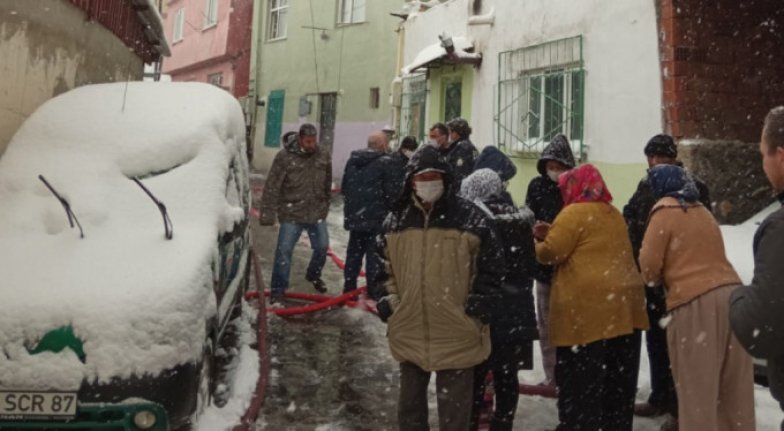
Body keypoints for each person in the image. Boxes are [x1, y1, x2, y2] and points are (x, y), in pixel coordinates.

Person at [375, 145, 506, 431]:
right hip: (409, 329)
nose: (428, 183)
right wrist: (392, 305)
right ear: (411, 180)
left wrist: (475, 312)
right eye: (422, 178)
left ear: (446, 179)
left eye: (434, 177)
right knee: (409, 412)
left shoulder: (472, 219)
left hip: (458, 333)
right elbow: (382, 268)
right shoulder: (395, 221)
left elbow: (492, 270)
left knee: (455, 417)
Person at [638, 164, 755, 431]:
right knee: (734, 392)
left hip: (694, 303)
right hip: (733, 297)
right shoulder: (703, 211)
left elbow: (649, 266)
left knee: (697, 391)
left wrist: (657, 280)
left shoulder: (664, 211)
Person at [534, 164, 648, 431]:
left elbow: (551, 253)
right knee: (616, 377)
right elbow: (588, 241)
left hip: (586, 310)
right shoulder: (613, 212)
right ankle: (615, 423)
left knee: (580, 377)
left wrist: (535, 242)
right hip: (623, 307)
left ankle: (578, 423)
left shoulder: (573, 212)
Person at [623, 134, 710, 427]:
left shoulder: (694, 189)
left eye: (661, 157)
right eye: (652, 156)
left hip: (680, 280)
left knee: (682, 347)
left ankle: (679, 406)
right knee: (657, 342)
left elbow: (699, 232)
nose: (655, 162)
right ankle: (660, 395)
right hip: (652, 281)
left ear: (672, 158)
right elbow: (630, 217)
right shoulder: (646, 185)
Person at [461, 169, 538, 431]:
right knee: (507, 373)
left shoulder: (476, 221)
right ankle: (503, 421)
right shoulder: (520, 220)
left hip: (484, 307)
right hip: (516, 308)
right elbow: (531, 265)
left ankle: (471, 420)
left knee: (476, 371)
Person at [730, 106, 784, 431]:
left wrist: (738, 297)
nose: (762, 163)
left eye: (762, 154)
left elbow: (760, 331)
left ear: (780, 155)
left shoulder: (779, 229)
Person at [524, 134, 575, 392]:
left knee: (568, 324)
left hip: (569, 267)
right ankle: (551, 376)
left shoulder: (575, 188)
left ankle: (569, 375)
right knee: (546, 324)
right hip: (544, 267)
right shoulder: (537, 186)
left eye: (559, 166)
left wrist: (554, 232)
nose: (554, 171)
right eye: (550, 166)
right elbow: (528, 215)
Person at [259, 124, 332, 302]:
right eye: (308, 141)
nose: (311, 144)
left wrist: (325, 204)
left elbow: (327, 182)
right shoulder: (284, 157)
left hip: (316, 212)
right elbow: (272, 185)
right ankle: (278, 290)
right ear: (300, 139)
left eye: (314, 141)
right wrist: (267, 213)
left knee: (322, 247)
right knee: (284, 252)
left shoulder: (323, 154)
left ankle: (313, 274)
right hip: (292, 212)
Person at [340, 131, 397, 300]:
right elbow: (392, 192)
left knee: (353, 255)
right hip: (376, 219)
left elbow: (345, 187)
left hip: (355, 218)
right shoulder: (386, 163)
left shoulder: (353, 160)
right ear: (382, 145)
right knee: (374, 257)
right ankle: (373, 293)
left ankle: (349, 290)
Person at [428, 119, 478, 186]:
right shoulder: (466, 146)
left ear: (455, 133)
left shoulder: (462, 148)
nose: (448, 136)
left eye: (449, 132)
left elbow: (459, 175)